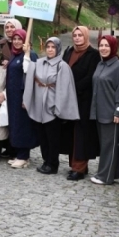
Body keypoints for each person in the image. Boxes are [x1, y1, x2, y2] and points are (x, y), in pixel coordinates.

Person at [24, 37, 80, 175]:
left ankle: (53, 163)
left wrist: (57, 107)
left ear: (58, 49)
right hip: (39, 105)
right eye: (48, 47)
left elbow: (64, 88)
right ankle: (45, 160)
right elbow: (28, 72)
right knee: (42, 135)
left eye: (53, 47)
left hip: (52, 105)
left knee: (52, 137)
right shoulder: (39, 63)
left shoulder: (62, 66)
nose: (50, 49)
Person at [61, 26, 101, 181]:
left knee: (81, 133)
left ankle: (79, 167)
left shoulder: (93, 54)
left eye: (80, 35)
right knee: (70, 132)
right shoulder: (69, 52)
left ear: (86, 36)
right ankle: (75, 165)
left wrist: (72, 88)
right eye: (75, 35)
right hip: (68, 99)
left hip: (83, 99)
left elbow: (91, 77)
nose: (77, 38)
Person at [89, 35, 119, 185]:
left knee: (110, 146)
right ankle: (106, 172)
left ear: (113, 47)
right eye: (101, 45)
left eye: (106, 46)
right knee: (104, 145)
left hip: (111, 113)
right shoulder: (100, 64)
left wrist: (118, 111)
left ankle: (106, 176)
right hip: (99, 111)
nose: (103, 48)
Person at [6, 29, 38, 169]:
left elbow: (31, 74)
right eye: (15, 39)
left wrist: (27, 55)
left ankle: (24, 156)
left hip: (23, 96)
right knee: (15, 123)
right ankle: (19, 153)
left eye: (20, 39)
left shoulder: (31, 55)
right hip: (13, 96)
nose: (17, 41)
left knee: (23, 124)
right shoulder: (14, 55)